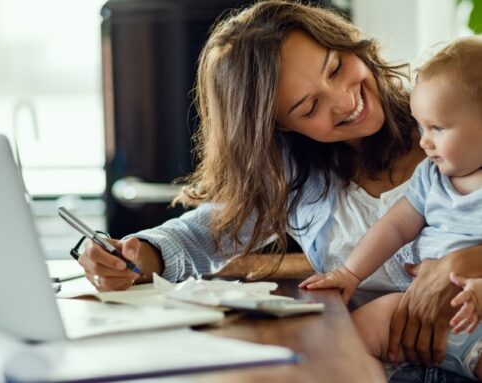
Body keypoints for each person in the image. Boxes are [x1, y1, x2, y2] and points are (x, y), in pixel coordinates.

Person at [78, 1, 482, 380]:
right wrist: (133, 254)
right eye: (309, 108)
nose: (344, 101)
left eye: (337, 67)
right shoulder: (296, 178)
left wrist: (466, 259)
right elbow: (201, 233)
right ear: (283, 126)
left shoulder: (452, 120)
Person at [299, 36, 482, 380]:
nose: (424, 141)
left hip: (478, 315)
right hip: (414, 311)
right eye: (421, 126)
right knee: (349, 338)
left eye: (438, 128)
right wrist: (349, 273)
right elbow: (395, 226)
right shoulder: (430, 177)